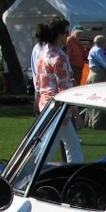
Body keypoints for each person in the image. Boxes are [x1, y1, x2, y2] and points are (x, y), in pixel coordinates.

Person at [34, 17, 81, 162]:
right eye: (66, 32)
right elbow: (65, 87)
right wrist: (74, 113)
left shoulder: (43, 52)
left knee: (71, 145)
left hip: (46, 104)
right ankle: (30, 176)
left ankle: (75, 173)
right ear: (59, 34)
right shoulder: (59, 56)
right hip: (59, 107)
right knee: (49, 149)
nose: (68, 35)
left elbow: (38, 80)